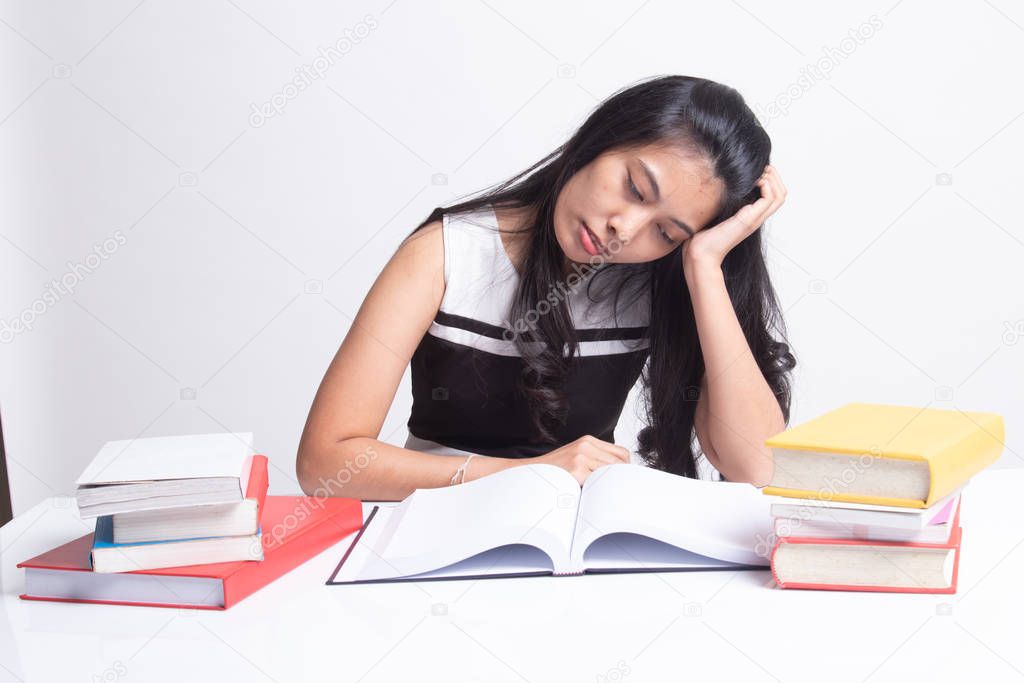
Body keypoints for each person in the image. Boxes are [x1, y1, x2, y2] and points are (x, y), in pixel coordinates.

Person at [297, 74, 795, 501]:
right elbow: (325, 462)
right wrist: (524, 477)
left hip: (577, 543)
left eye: (666, 231)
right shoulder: (446, 253)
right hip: (434, 529)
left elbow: (757, 466)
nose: (626, 229)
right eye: (635, 188)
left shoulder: (662, 277)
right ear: (603, 138)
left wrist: (704, 266)